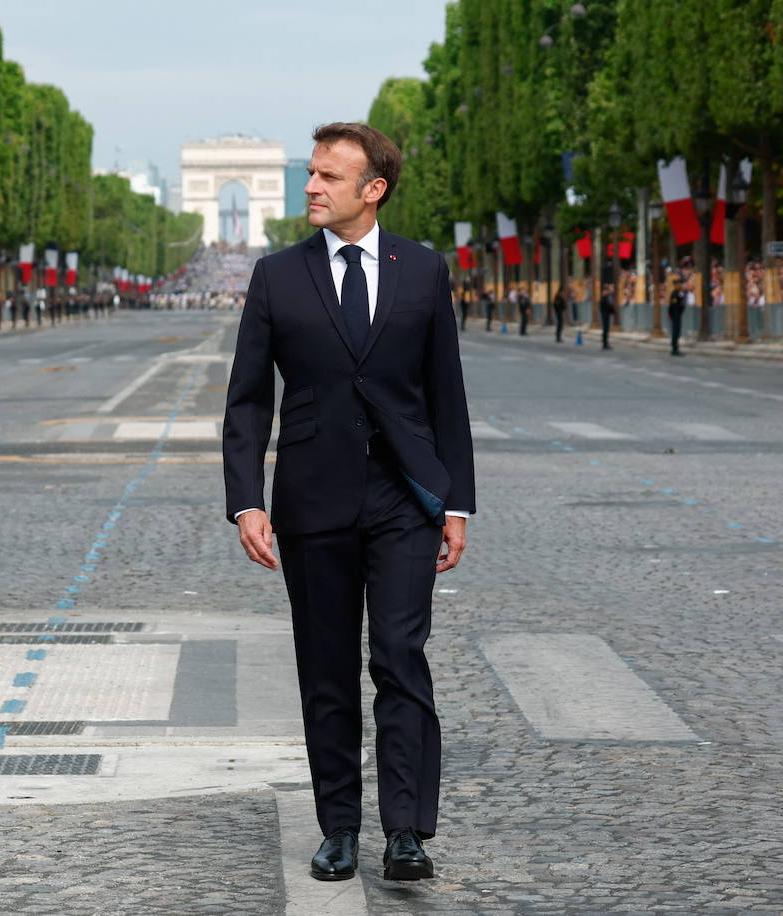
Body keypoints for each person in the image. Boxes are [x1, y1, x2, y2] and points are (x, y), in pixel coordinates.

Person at [223, 122, 474, 885]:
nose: (312, 186)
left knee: (400, 660)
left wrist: (457, 502)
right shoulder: (275, 275)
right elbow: (246, 402)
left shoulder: (424, 271)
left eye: (330, 177)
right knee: (325, 671)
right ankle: (338, 828)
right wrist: (246, 503)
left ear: (374, 189)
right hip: (311, 498)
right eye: (309, 174)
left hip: (404, 496)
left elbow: (446, 396)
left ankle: (405, 832)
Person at [667, 276, 686, 356]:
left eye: (680, 284)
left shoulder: (679, 293)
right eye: (678, 284)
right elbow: (673, 305)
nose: (679, 285)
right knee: (675, 332)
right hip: (675, 315)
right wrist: (671, 314)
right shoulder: (674, 293)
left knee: (677, 332)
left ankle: (676, 348)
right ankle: (674, 349)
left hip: (678, 314)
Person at [599, 286, 615, 350]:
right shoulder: (605, 298)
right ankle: (605, 343)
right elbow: (609, 306)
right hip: (606, 315)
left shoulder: (604, 298)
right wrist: (612, 311)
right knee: (605, 329)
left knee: (606, 329)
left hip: (605, 314)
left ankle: (605, 343)